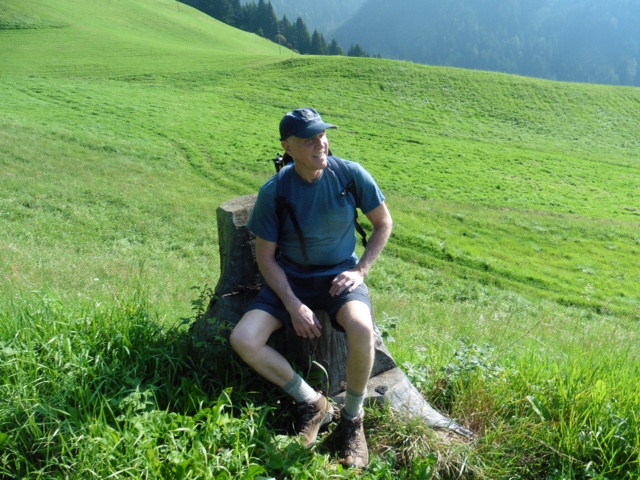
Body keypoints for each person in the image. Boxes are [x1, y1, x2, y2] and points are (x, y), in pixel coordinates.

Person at [230, 108, 392, 469]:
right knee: (244, 339)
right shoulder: (275, 191)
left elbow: (383, 223)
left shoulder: (349, 174)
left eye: (322, 135)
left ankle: (352, 418)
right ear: (287, 147)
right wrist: (292, 304)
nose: (320, 143)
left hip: (340, 277)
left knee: (362, 328)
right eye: (308, 139)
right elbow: (265, 257)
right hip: (290, 279)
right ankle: (313, 403)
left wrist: (361, 270)